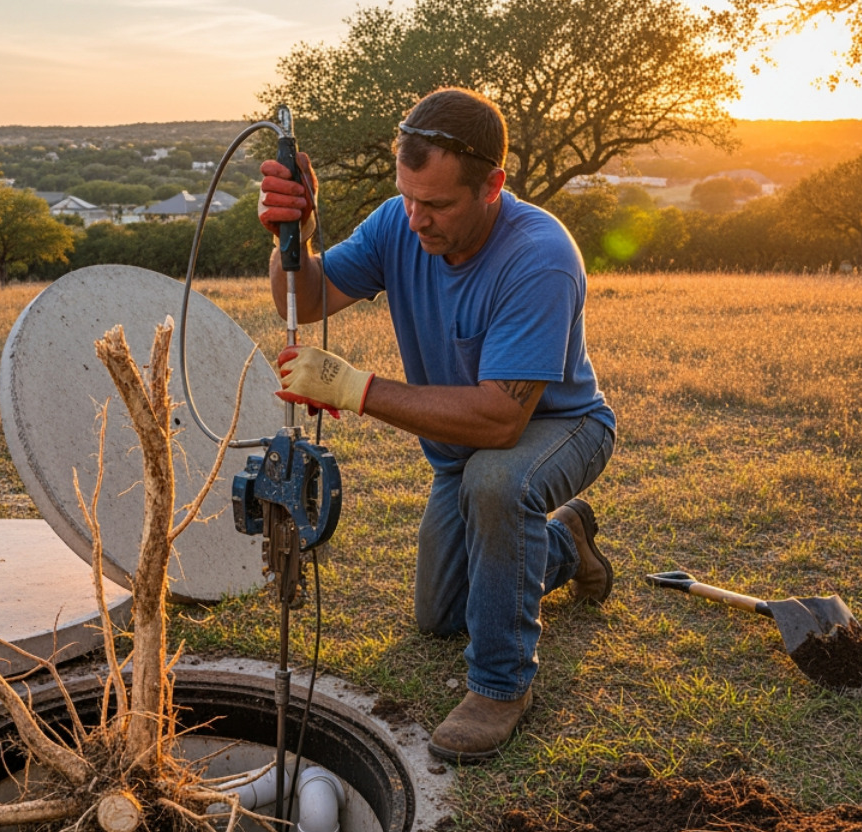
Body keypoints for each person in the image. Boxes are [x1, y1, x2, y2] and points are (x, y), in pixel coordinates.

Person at [257, 88, 616, 763]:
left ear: (492, 186)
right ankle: (565, 541)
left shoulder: (538, 254)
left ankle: (501, 687)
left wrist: (352, 387)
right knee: (440, 617)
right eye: (409, 197)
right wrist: (293, 242)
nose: (417, 220)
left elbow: (503, 417)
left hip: (561, 427)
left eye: (439, 205)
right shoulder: (398, 221)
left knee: (497, 480)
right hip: (459, 454)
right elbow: (305, 297)